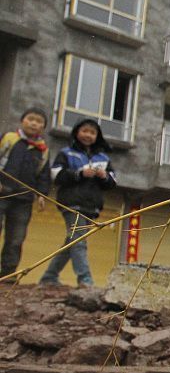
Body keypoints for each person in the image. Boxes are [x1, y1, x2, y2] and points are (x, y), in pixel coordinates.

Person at [39, 119, 116, 287]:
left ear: (97, 136)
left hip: (91, 205)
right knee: (79, 241)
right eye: (85, 131)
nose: (88, 135)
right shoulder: (66, 153)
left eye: (92, 132)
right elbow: (56, 176)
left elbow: (112, 182)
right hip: (71, 203)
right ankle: (85, 279)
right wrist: (79, 174)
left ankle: (49, 277)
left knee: (72, 242)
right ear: (76, 132)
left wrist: (104, 177)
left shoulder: (103, 158)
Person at [0, 108, 51, 280]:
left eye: (39, 121)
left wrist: (42, 195)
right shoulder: (9, 138)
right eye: (30, 119)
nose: (34, 123)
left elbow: (43, 175)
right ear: (22, 120)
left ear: (43, 128)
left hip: (24, 200)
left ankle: (8, 274)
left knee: (16, 238)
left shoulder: (43, 150)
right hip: (2, 194)